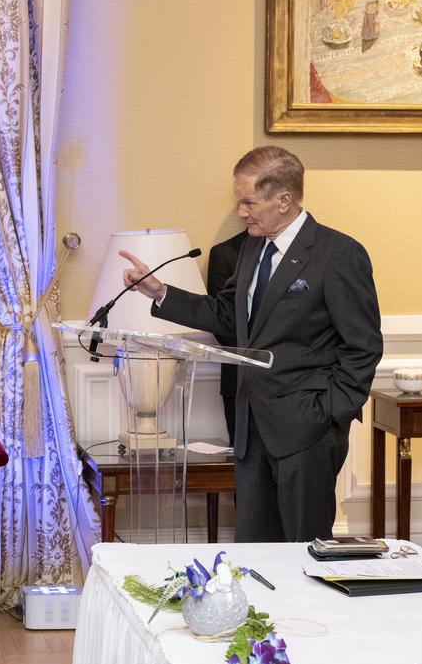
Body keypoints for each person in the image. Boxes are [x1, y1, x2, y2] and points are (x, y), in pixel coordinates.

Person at [120, 146, 382, 542]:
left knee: (304, 547)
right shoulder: (251, 249)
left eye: (248, 202)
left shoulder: (339, 254)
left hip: (307, 430)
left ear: (283, 200)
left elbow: (363, 346)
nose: (241, 212)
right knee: (255, 549)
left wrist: (328, 412)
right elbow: (228, 314)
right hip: (250, 428)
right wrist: (159, 293)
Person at [207, 229, 247, 444]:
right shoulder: (225, 253)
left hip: (302, 394)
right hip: (239, 382)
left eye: (249, 202)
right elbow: (222, 322)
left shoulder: (325, 249)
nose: (243, 211)